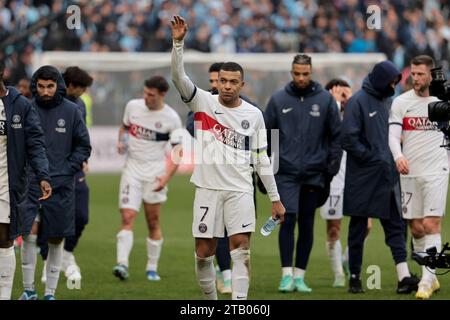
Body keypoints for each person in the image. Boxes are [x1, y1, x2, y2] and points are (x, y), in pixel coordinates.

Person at [171, 15, 285, 300]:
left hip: (240, 191)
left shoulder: (254, 114)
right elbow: (178, 78)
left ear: (242, 84)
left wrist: (274, 197)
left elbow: (262, 159)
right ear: (217, 82)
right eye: (223, 81)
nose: (228, 86)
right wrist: (178, 43)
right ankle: (211, 302)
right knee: (203, 253)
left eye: (234, 82)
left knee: (241, 249)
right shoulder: (203, 102)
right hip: (208, 190)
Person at [264, 54, 342, 293]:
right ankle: (286, 275)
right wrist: (267, 171)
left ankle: (300, 276)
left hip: (314, 173)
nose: (300, 78)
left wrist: (331, 167)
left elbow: (336, 137)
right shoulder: (278, 100)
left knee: (307, 224)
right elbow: (268, 137)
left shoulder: (325, 100)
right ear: (291, 73)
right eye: (296, 74)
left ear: (311, 73)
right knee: (286, 221)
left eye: (305, 74)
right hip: (286, 173)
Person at [341, 60, 420, 294]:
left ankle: (403, 277)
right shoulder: (357, 102)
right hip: (363, 178)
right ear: (380, 80)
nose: (394, 86)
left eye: (396, 82)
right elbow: (348, 139)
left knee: (396, 227)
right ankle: (354, 277)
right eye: (391, 82)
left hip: (388, 176)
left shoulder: (390, 102)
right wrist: (373, 158)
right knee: (358, 229)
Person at [19, 65, 91, 300]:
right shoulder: (26, 108)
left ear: (58, 85)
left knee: (56, 237)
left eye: (50, 86)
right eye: (41, 86)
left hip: (61, 184)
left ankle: (50, 293)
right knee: (29, 233)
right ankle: (29, 290)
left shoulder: (71, 111)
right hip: (29, 183)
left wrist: (67, 169)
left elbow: (83, 146)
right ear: (35, 86)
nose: (46, 91)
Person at [112, 76, 183, 282]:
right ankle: (122, 263)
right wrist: (121, 141)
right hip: (131, 171)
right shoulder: (133, 106)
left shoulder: (171, 118)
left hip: (155, 174)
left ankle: (151, 268)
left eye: (150, 95)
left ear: (162, 95)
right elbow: (124, 128)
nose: (146, 98)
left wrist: (165, 178)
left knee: (153, 222)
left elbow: (178, 152)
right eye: (145, 93)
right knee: (127, 218)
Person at [389, 55, 447, 299]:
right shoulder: (401, 102)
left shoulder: (443, 102)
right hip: (410, 173)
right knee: (415, 229)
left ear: (431, 75)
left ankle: (426, 280)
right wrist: (398, 156)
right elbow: (393, 135)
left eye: (420, 74)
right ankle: (430, 276)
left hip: (437, 171)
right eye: (413, 74)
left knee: (431, 224)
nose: (415, 78)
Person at [0, 61, 52, 300]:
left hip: (5, 182)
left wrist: (43, 175)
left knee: (4, 238)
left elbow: (35, 143)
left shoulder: (19, 105)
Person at [38, 66, 93, 284]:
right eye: (81, 88)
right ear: (70, 86)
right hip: (48, 170)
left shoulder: (78, 106)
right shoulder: (45, 105)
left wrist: (81, 161)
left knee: (81, 215)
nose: (83, 93)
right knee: (45, 217)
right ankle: (46, 261)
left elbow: (81, 138)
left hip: (73, 168)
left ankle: (67, 252)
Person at [319, 79, 372, 287]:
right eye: (338, 95)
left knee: (366, 226)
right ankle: (338, 274)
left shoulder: (359, 112)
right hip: (333, 179)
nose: (342, 99)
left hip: (358, 178)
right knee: (334, 229)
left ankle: (348, 259)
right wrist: (330, 105)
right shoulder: (323, 114)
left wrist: (351, 103)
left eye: (345, 94)